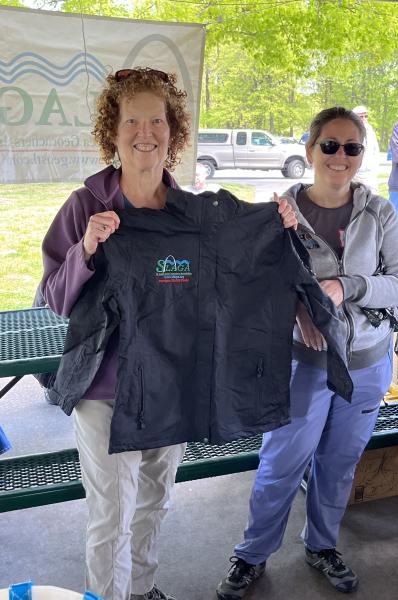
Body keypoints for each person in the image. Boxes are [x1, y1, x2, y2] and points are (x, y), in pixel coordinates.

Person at [40, 67, 297, 600]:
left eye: (156, 120)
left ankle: (142, 588)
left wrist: (277, 228)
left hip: (173, 385)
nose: (145, 133)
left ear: (172, 130)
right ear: (112, 132)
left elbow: (234, 275)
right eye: (131, 121)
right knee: (111, 515)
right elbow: (56, 298)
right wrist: (85, 249)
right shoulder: (86, 206)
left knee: (153, 503)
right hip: (106, 393)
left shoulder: (194, 215)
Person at [216, 106, 398, 599]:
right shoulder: (280, 214)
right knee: (281, 462)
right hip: (302, 365)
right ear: (310, 150)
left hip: (367, 363)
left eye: (351, 147)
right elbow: (253, 289)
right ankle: (252, 554)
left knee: (339, 462)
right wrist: (297, 309)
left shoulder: (380, 212)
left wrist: (347, 286)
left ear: (362, 155)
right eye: (329, 145)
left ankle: (322, 545)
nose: (339, 156)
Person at [352, 105, 380, 192]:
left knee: (373, 197)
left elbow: (375, 150)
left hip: (369, 174)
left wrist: (374, 167)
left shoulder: (370, 130)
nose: (364, 118)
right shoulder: (349, 131)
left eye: (366, 116)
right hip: (355, 174)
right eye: (361, 116)